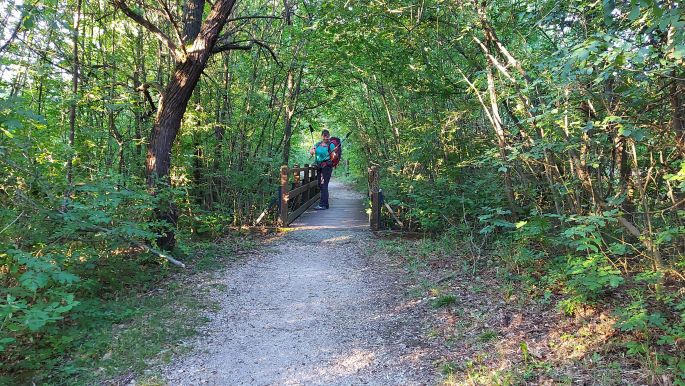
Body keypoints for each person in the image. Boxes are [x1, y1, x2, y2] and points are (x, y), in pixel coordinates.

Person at [309, 129, 336, 210]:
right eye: (324, 136)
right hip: (319, 167)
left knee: (324, 185)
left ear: (329, 136)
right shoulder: (318, 144)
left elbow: (333, 156)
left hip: (326, 167)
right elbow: (311, 151)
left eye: (327, 136)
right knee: (320, 185)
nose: (326, 138)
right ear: (322, 136)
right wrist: (312, 151)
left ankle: (322, 205)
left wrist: (333, 154)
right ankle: (325, 204)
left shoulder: (331, 145)